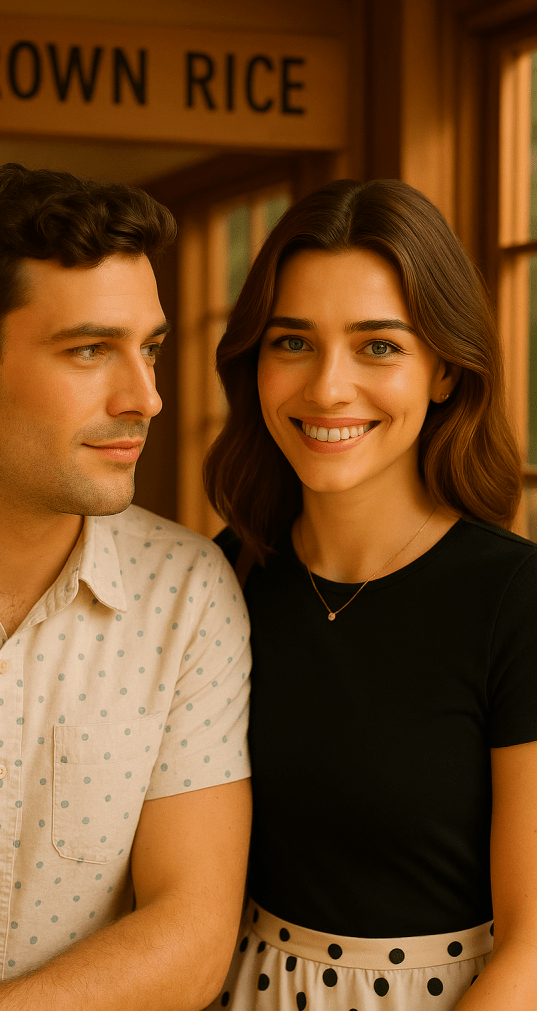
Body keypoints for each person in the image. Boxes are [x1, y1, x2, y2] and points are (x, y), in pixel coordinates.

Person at [0, 164, 252, 1011]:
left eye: (147, 348)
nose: (144, 396)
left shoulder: (186, 594)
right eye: (88, 350)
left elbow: (190, 941)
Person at [203, 178, 537, 1010]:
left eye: (378, 346)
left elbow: (535, 946)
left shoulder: (514, 598)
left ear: (443, 374)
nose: (325, 388)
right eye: (292, 343)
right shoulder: (220, 577)